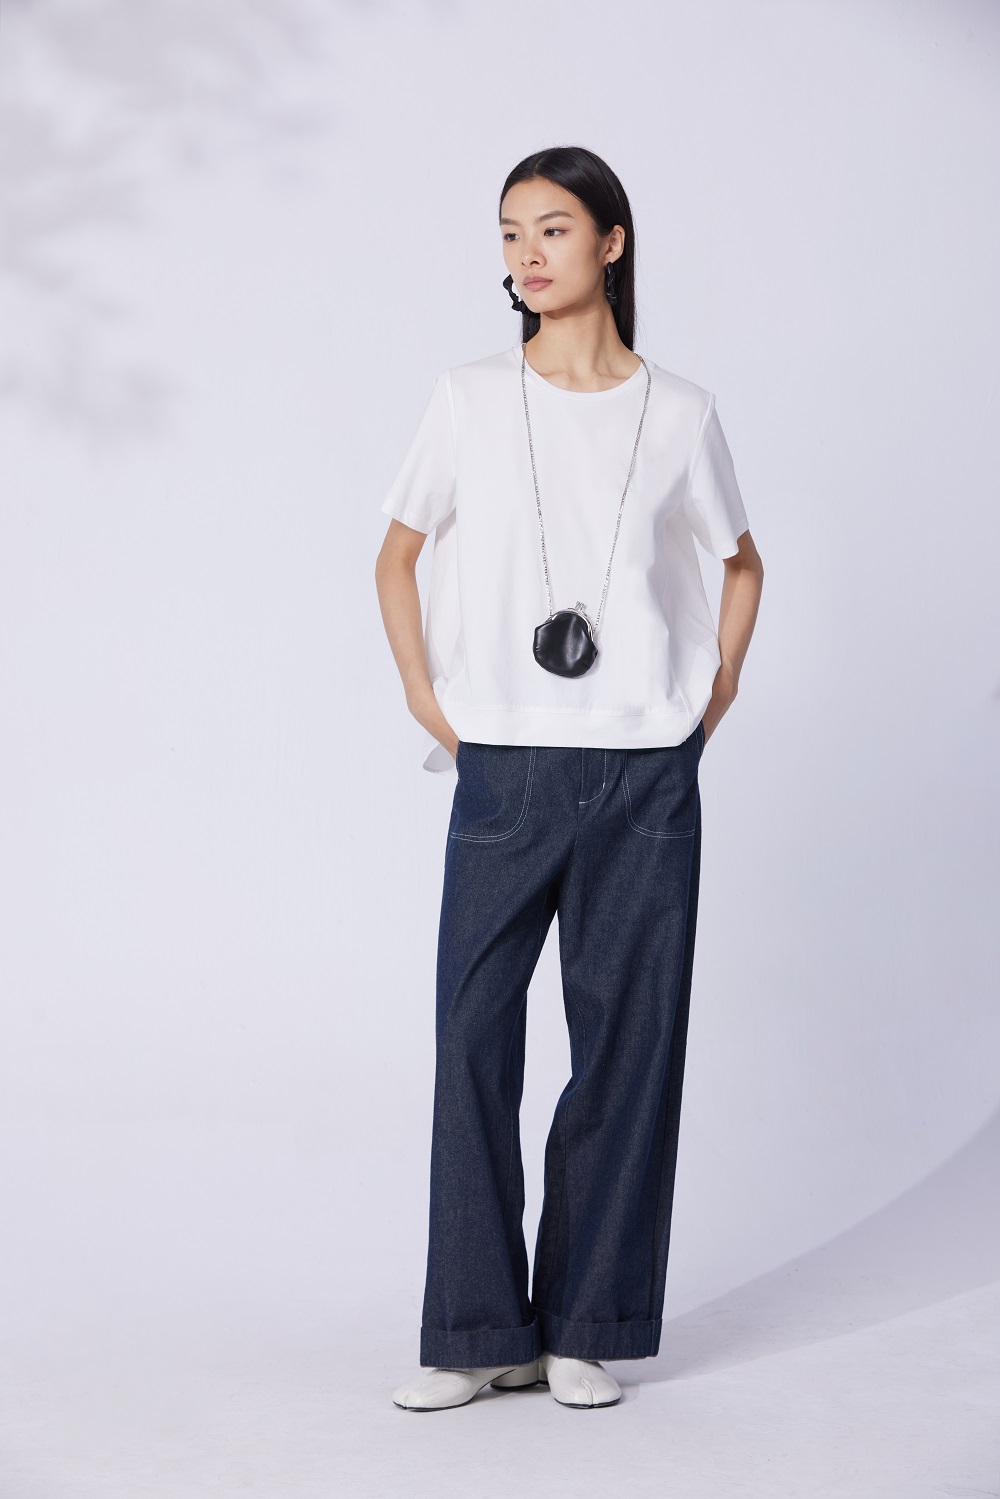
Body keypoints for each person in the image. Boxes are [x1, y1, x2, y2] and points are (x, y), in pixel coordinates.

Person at [374, 145, 764, 1412]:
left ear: (610, 241)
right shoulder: (470, 398)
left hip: (645, 775)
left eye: (550, 227)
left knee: (628, 1048)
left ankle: (585, 1322)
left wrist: (711, 694)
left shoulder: (681, 411)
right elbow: (395, 552)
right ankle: (478, 1329)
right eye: (508, 233)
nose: (526, 253)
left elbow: (740, 561)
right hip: (504, 764)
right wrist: (426, 692)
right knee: (472, 1037)